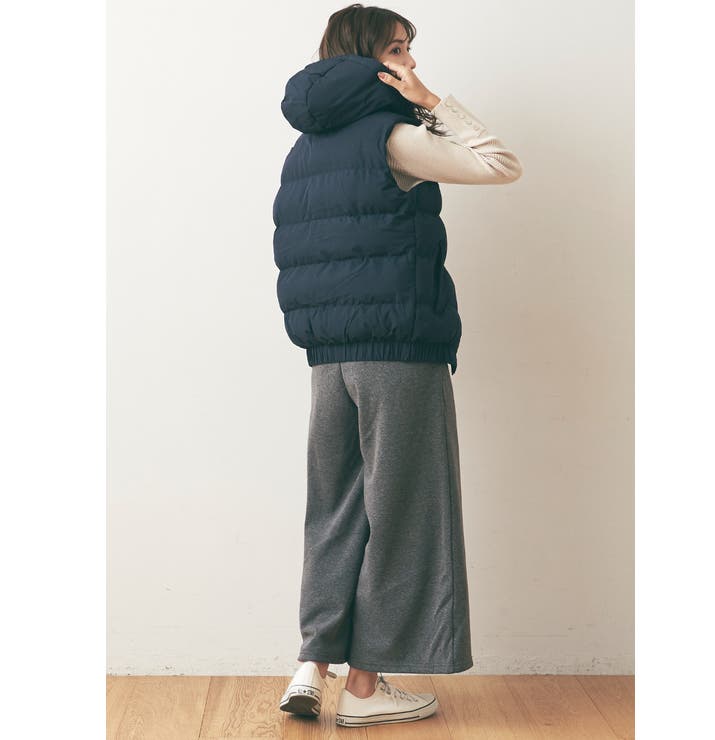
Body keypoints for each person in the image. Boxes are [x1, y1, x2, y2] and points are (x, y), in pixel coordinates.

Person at [273, 3, 522, 728]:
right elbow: (500, 164)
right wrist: (432, 101)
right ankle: (365, 689)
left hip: (329, 356)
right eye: (398, 49)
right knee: (406, 511)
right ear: (368, 59)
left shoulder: (306, 148)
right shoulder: (394, 137)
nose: (411, 61)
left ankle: (312, 664)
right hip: (398, 351)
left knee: (337, 507)